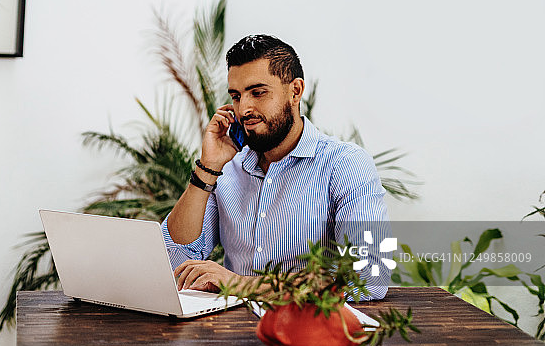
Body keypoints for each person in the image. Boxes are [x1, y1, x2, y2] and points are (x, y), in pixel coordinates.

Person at [162, 34, 391, 300]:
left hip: (309, 322)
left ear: (295, 91)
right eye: (236, 96)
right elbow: (174, 260)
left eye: (258, 93)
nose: (244, 109)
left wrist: (241, 285)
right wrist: (207, 168)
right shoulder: (226, 169)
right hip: (228, 323)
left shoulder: (346, 164)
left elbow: (367, 275)